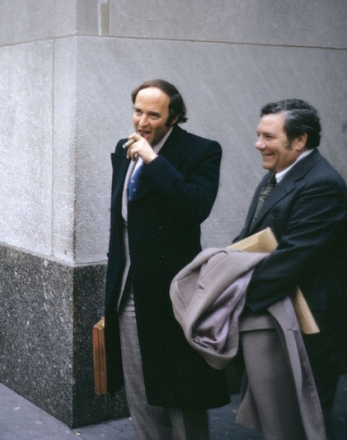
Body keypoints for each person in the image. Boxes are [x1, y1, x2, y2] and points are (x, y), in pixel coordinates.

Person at [104, 79, 228, 440]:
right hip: (130, 287)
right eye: (137, 111)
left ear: (173, 118)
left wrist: (153, 159)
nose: (141, 121)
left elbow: (195, 207)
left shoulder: (201, 151)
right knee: (139, 388)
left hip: (175, 290)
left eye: (153, 115)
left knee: (181, 390)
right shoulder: (123, 148)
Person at [233, 99, 347, 438]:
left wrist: (233, 294)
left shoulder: (322, 185)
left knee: (304, 422)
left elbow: (291, 259)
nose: (259, 144)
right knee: (280, 418)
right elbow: (252, 238)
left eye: (268, 137)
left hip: (309, 328)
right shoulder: (277, 175)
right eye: (259, 135)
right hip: (278, 319)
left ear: (299, 140)